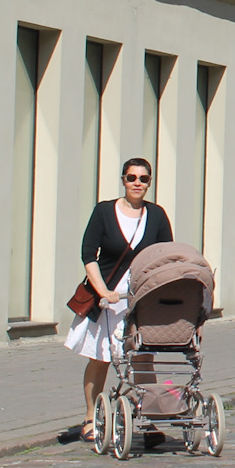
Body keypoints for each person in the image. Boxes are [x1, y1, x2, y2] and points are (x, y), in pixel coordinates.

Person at [68, 157, 174, 441]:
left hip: (141, 297)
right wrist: (103, 291)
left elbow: (165, 256)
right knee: (101, 358)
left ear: (149, 182)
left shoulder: (157, 215)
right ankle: (91, 417)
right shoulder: (104, 212)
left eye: (143, 179)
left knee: (142, 359)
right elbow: (88, 254)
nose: (137, 183)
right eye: (131, 178)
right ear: (123, 180)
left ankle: (147, 419)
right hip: (109, 297)